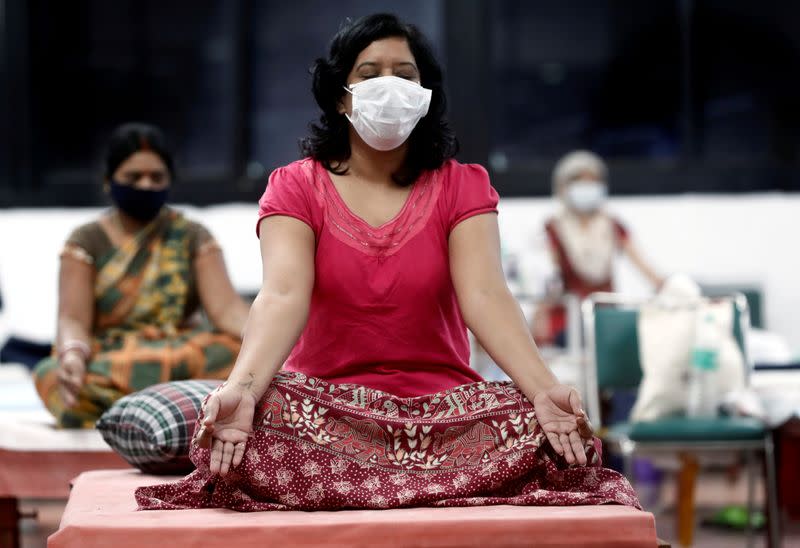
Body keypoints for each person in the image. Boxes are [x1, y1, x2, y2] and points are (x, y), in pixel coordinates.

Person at [137, 14, 638, 511]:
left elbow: (485, 295)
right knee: (262, 414)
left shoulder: (463, 184)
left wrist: (545, 391)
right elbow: (282, 296)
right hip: (323, 413)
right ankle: (431, 487)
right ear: (340, 94)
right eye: (370, 73)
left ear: (426, 95)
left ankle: (360, 487)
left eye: (405, 74)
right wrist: (242, 389)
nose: (389, 86)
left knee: (535, 424)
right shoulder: (294, 186)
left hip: (444, 418)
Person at [33, 123, 249, 428]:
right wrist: (72, 354)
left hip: (178, 351)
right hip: (112, 355)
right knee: (51, 373)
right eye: (133, 177)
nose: (146, 185)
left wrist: (269, 342)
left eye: (156, 177)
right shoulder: (86, 240)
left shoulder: (191, 235)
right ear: (110, 181)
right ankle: (183, 409)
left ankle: (137, 411)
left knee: (237, 356)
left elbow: (227, 310)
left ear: (169, 181)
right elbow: (73, 319)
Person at [531, 150, 664, 346]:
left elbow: (643, 266)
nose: (588, 187)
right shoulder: (554, 228)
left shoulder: (611, 225)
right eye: (580, 182)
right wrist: (539, 316)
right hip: (568, 321)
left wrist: (668, 289)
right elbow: (548, 278)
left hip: (605, 315)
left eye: (593, 181)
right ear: (563, 187)